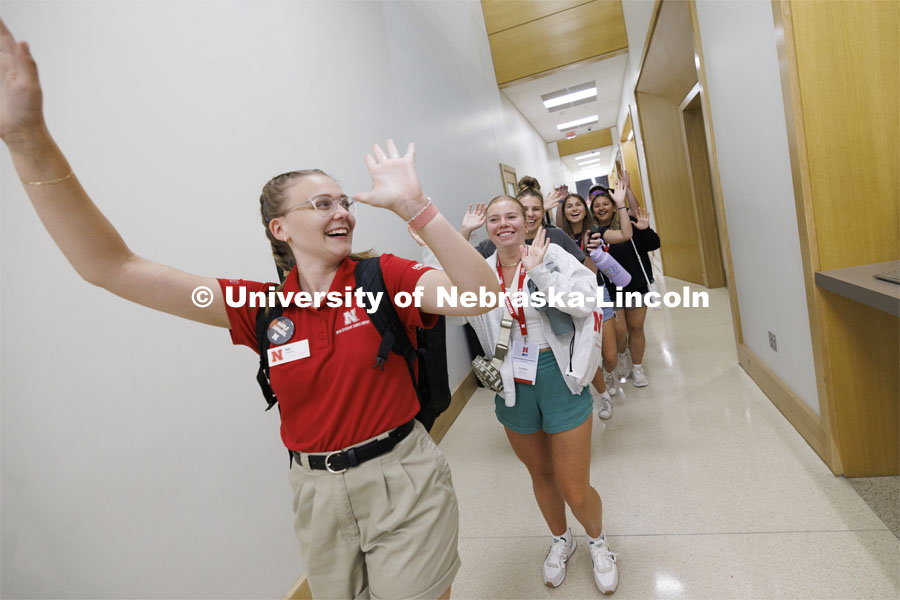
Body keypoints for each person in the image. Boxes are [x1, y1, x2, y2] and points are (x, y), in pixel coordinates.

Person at [0, 20, 501, 600]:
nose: (343, 210)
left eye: (346, 201)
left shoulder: (381, 277)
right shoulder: (257, 307)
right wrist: (27, 136)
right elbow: (110, 266)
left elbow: (481, 296)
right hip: (315, 492)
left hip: (403, 478)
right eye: (323, 203)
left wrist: (416, 207)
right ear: (279, 228)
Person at [419, 195, 619, 594]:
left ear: (529, 220)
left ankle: (599, 542)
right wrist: (459, 234)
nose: (504, 224)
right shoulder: (478, 272)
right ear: (487, 227)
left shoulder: (555, 255)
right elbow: (429, 284)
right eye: (494, 219)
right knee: (541, 476)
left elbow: (585, 304)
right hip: (513, 385)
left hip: (558, 377)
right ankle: (562, 540)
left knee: (574, 486)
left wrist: (540, 271)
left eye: (512, 215)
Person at [588, 179, 658, 388]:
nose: (601, 208)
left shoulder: (628, 222)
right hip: (611, 290)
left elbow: (653, 243)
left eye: (605, 204)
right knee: (619, 332)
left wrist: (644, 229)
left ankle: (637, 368)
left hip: (636, 285)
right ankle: (622, 354)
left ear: (613, 204)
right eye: (596, 205)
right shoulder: (595, 233)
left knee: (636, 329)